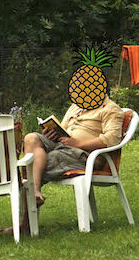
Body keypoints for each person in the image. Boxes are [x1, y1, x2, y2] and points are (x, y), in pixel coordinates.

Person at [22, 60, 130, 205]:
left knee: (30, 167)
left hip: (84, 156)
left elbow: (112, 139)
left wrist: (78, 143)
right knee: (31, 138)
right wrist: (53, 134)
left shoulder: (111, 109)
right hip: (63, 146)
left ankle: (25, 222)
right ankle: (34, 193)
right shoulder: (76, 106)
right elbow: (64, 128)